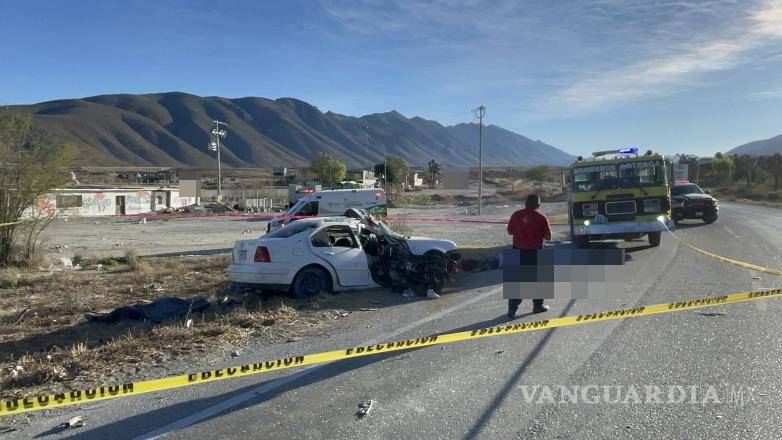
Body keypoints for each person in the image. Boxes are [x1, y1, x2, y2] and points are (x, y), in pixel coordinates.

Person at [506, 194, 551, 317]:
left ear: (525, 203)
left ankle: (512, 309)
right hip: (535, 252)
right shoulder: (541, 218)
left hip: (517, 251)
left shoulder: (516, 215)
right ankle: (538, 306)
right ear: (538, 205)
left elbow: (509, 231)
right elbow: (548, 236)